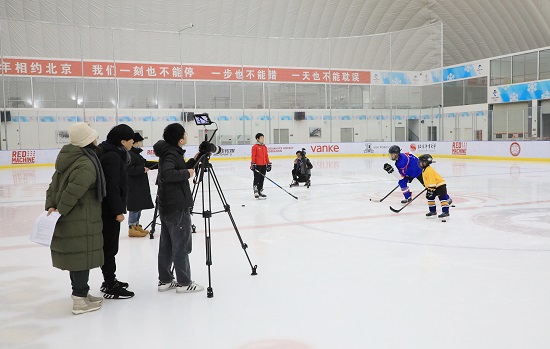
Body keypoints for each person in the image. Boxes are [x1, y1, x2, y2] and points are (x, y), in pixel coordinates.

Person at [45, 122, 105, 314]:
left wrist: (52, 207)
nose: (97, 139)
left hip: (74, 217)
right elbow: (73, 191)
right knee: (81, 258)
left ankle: (83, 294)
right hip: (80, 217)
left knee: (79, 257)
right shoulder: (86, 163)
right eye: (94, 136)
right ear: (88, 141)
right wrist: (60, 209)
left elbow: (52, 187)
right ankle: (79, 299)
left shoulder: (70, 159)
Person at [153, 123, 204, 293]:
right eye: (185, 134)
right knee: (181, 244)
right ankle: (184, 282)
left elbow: (177, 168)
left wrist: (195, 159)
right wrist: (187, 174)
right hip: (176, 205)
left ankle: (165, 280)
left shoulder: (170, 151)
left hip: (168, 205)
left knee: (166, 245)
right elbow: (168, 174)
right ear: (180, 139)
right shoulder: (171, 153)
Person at [96, 124, 136, 299]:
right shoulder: (112, 156)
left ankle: (109, 280)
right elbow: (111, 187)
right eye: (131, 140)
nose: (133, 143)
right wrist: (117, 211)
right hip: (109, 211)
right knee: (109, 248)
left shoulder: (111, 152)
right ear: (122, 141)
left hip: (108, 209)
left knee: (109, 247)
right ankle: (110, 285)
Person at [127, 132, 156, 238]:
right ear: (135, 142)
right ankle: (131, 227)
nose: (141, 143)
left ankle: (136, 225)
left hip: (139, 184)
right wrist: (142, 169)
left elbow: (145, 163)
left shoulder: (136, 154)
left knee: (138, 205)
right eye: (140, 141)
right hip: (133, 184)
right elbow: (128, 169)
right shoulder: (129, 154)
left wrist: (159, 164)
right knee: (134, 206)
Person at [418, 154, 451, 218]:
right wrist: (428, 188)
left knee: (442, 198)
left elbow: (432, 181)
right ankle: (433, 211)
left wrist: (430, 190)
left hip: (440, 186)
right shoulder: (424, 170)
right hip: (434, 187)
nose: (419, 163)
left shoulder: (428, 170)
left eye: (421, 162)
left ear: (425, 163)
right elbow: (427, 181)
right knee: (430, 197)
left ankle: (446, 212)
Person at [250, 132, 271, 199]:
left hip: (263, 165)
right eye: (261, 138)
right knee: (257, 178)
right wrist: (253, 163)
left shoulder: (264, 147)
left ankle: (260, 190)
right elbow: (253, 155)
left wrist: (268, 163)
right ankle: (255, 191)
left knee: (262, 178)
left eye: (263, 137)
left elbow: (266, 155)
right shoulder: (255, 147)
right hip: (257, 165)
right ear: (257, 139)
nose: (262, 139)